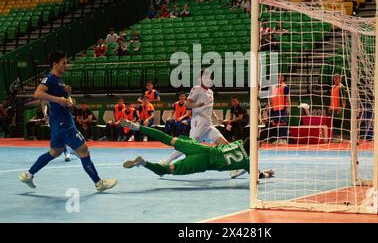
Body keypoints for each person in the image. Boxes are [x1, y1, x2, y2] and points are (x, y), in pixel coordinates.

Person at [18, 51, 117, 191]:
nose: (66, 65)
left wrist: (67, 94)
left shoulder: (59, 80)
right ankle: (99, 183)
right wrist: (58, 99)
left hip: (59, 122)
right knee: (84, 151)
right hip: (63, 123)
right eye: (64, 62)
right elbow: (38, 93)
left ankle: (28, 174)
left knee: (55, 151)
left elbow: (63, 101)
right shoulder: (50, 78)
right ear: (55, 64)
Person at [121, 120, 275, 180]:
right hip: (202, 162)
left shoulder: (240, 142)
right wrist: (266, 174)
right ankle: (143, 163)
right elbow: (258, 175)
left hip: (201, 147)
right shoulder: (248, 163)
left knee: (167, 138)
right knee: (165, 170)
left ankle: (136, 126)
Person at [160, 69, 229, 165]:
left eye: (208, 77)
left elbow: (210, 108)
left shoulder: (211, 92)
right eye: (205, 77)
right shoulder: (196, 89)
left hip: (209, 125)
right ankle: (166, 161)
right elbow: (187, 104)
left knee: (226, 145)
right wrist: (196, 106)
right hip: (198, 124)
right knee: (188, 146)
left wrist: (217, 119)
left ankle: (236, 167)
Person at [268, 75, 290, 145]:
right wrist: (270, 105)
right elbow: (271, 98)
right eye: (277, 77)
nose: (278, 78)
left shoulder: (285, 87)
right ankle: (279, 138)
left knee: (283, 123)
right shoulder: (273, 87)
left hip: (282, 108)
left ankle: (284, 139)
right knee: (277, 124)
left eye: (280, 77)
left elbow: (287, 98)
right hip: (275, 108)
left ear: (283, 78)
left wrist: (288, 107)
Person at [329, 74, 347, 142]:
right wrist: (330, 106)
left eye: (337, 78)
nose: (335, 80)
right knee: (334, 123)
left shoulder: (341, 87)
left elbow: (344, 98)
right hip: (333, 107)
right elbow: (332, 98)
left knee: (339, 123)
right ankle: (335, 137)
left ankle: (340, 138)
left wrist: (341, 107)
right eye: (334, 78)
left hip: (339, 108)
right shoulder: (333, 87)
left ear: (340, 79)